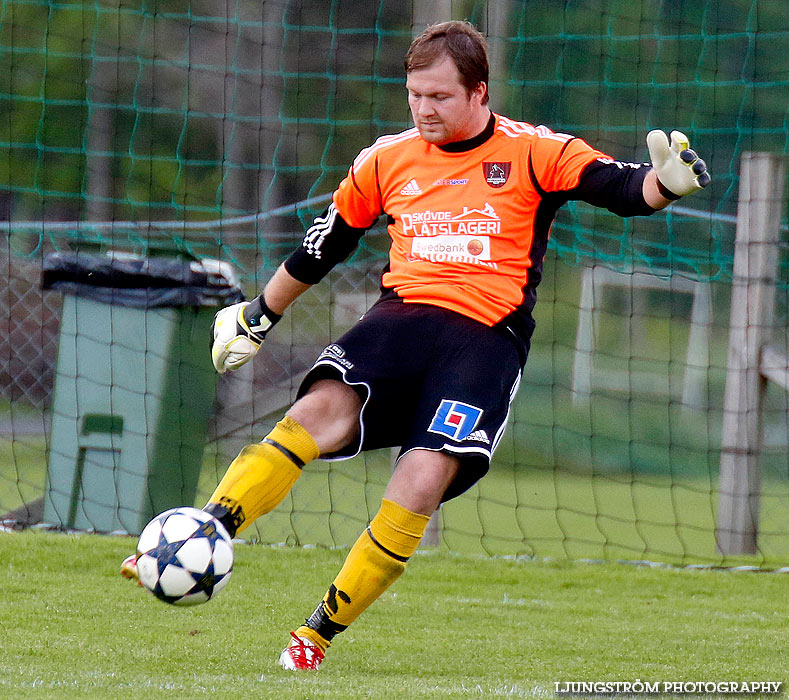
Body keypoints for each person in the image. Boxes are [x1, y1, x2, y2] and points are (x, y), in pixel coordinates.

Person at [122, 20, 710, 670]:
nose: (424, 110)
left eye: (439, 97)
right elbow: (326, 242)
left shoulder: (536, 151)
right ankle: (196, 536)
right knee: (311, 415)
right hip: (401, 319)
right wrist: (261, 313)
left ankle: (313, 637)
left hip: (484, 340)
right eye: (414, 95)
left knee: (420, 480)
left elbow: (622, 188)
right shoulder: (385, 158)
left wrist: (666, 186)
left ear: (478, 93)